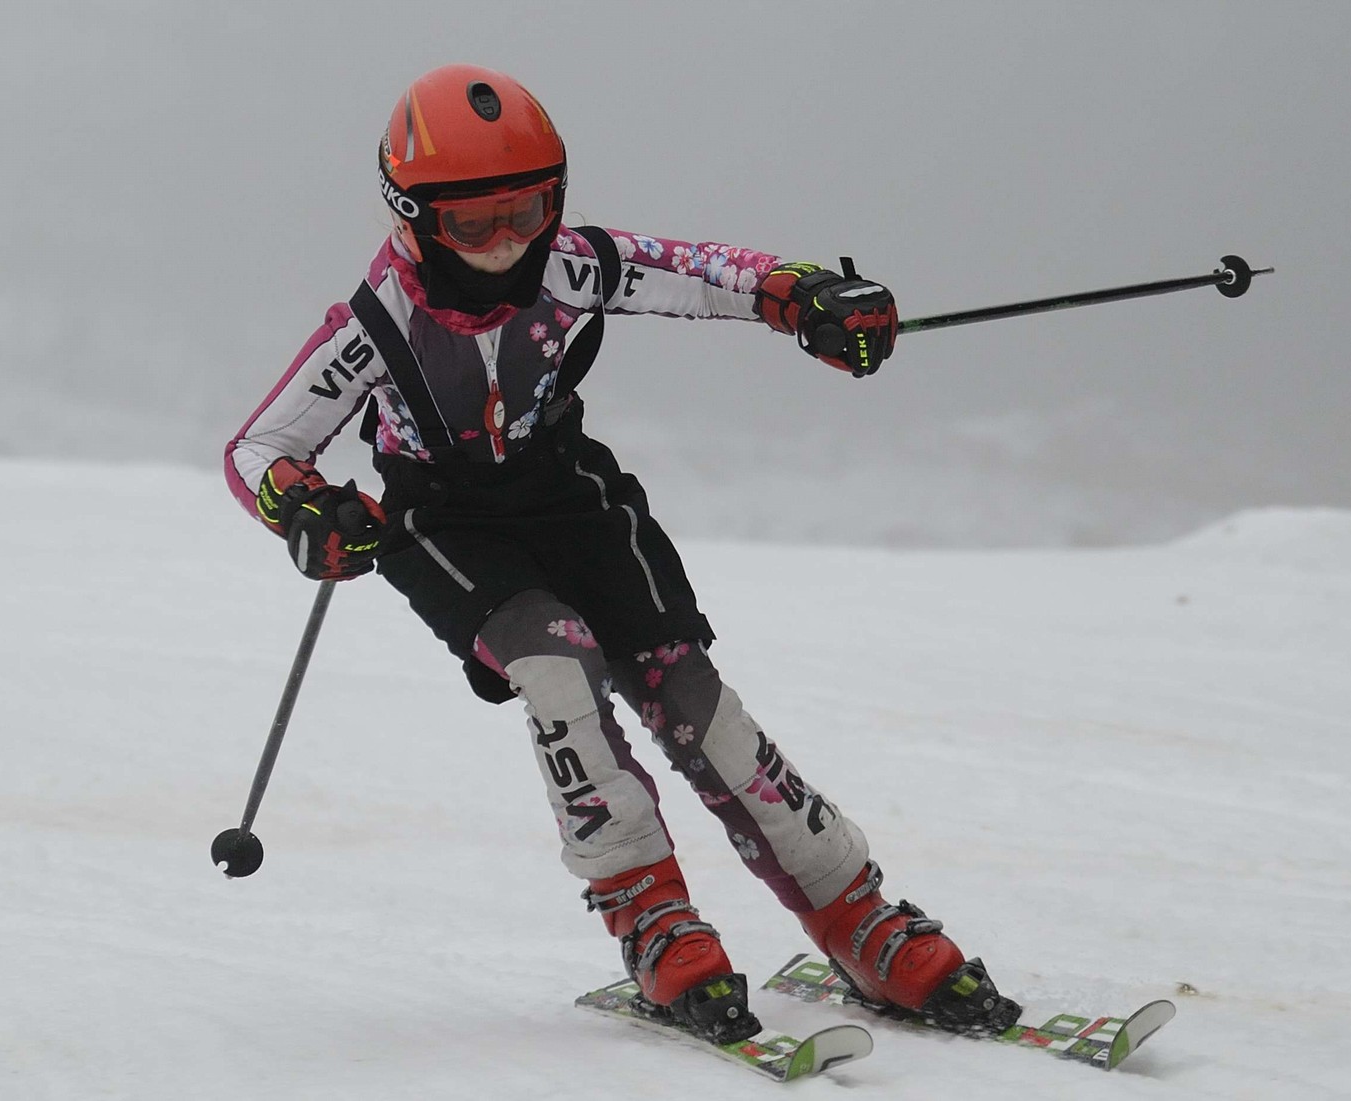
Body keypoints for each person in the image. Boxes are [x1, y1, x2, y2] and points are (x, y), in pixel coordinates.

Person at [225, 63, 1020, 1043]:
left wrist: (806, 296)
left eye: (525, 210)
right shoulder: (374, 324)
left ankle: (853, 913)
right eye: (469, 223)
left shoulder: (572, 264)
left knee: (685, 689)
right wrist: (306, 509)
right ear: (412, 217)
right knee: (555, 666)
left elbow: (703, 272)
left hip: (568, 492)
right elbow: (259, 448)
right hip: (442, 520)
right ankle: (649, 913)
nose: (503, 242)